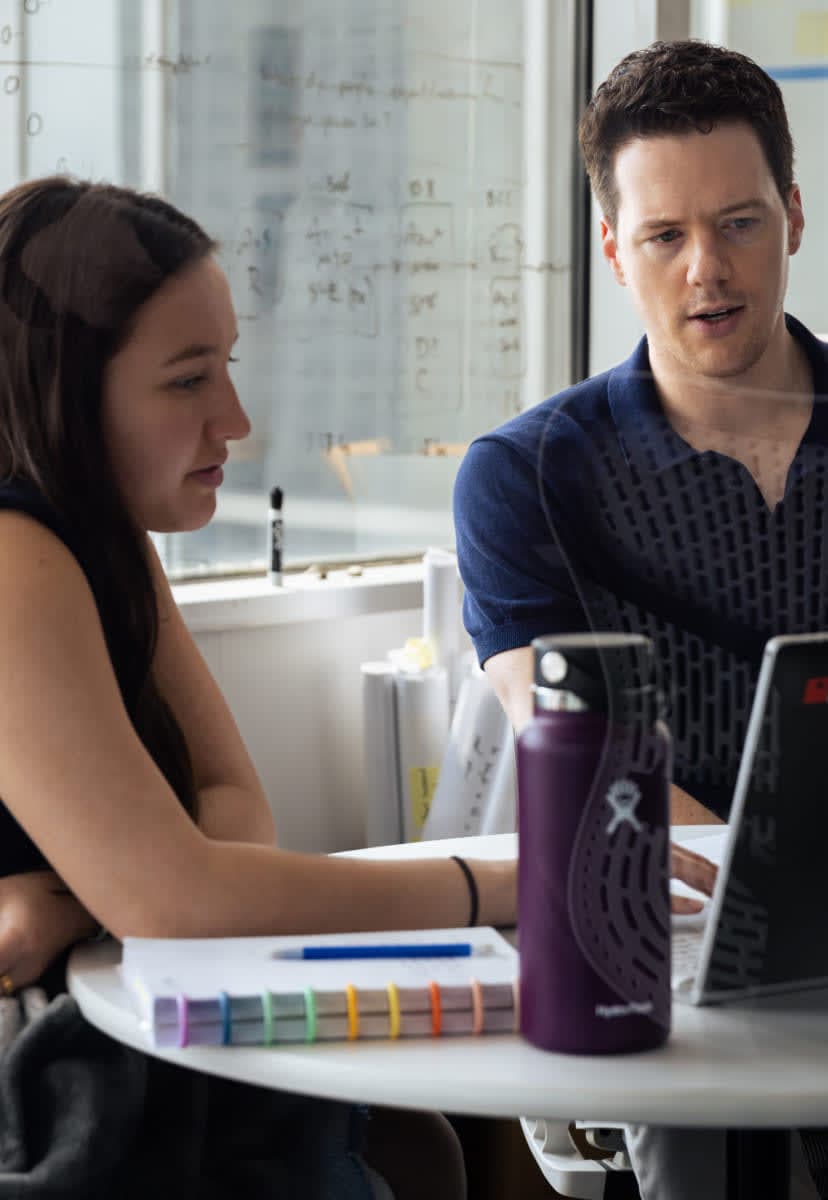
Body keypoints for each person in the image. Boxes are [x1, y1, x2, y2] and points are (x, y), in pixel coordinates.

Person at [0, 174, 517, 1199]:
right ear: (66, 384)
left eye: (225, 368)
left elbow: (238, 820)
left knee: (421, 1148)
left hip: (111, 1015)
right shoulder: (16, 555)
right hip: (46, 1086)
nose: (234, 419)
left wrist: (76, 897)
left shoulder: (107, 540)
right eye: (188, 379)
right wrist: (498, 885)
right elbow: (176, 891)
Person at [453, 38, 828, 1200]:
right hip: (665, 928)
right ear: (614, 250)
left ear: (795, 218)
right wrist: (771, 890)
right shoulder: (526, 478)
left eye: (741, 223)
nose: (708, 270)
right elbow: (582, 746)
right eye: (665, 236)